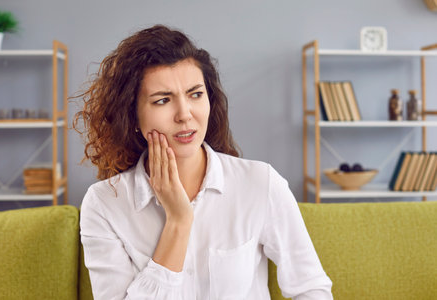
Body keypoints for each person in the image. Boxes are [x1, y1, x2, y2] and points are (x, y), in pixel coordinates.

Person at [74, 24, 333, 300]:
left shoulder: (260, 183)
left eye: (195, 94)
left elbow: (311, 288)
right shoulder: (104, 204)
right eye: (163, 100)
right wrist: (178, 221)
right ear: (132, 117)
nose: (185, 114)